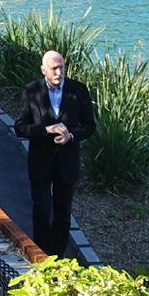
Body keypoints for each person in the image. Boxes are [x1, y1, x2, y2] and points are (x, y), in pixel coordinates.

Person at [14, 50, 95, 259]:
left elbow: (89, 126)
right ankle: (41, 257)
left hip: (67, 162)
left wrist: (71, 136)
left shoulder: (78, 91)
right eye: (54, 69)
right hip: (41, 161)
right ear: (43, 70)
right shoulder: (31, 91)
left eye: (62, 68)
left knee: (63, 216)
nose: (59, 72)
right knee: (42, 210)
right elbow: (20, 126)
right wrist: (44, 131)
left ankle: (57, 258)